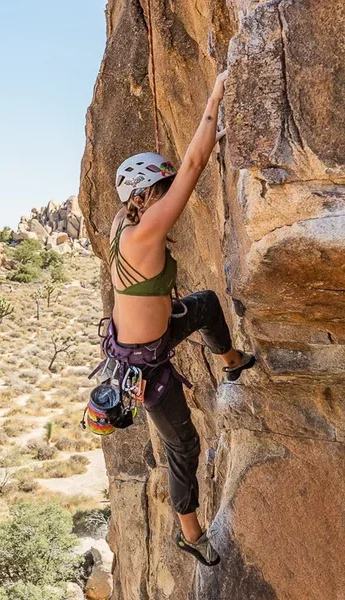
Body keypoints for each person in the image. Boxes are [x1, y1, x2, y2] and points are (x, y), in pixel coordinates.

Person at [105, 70, 254, 567]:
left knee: (208, 305)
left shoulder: (121, 225)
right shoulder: (144, 231)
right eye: (161, 188)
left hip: (156, 331)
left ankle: (232, 361)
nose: (169, 194)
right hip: (146, 367)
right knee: (183, 446)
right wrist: (215, 94)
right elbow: (194, 164)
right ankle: (190, 534)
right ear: (144, 194)